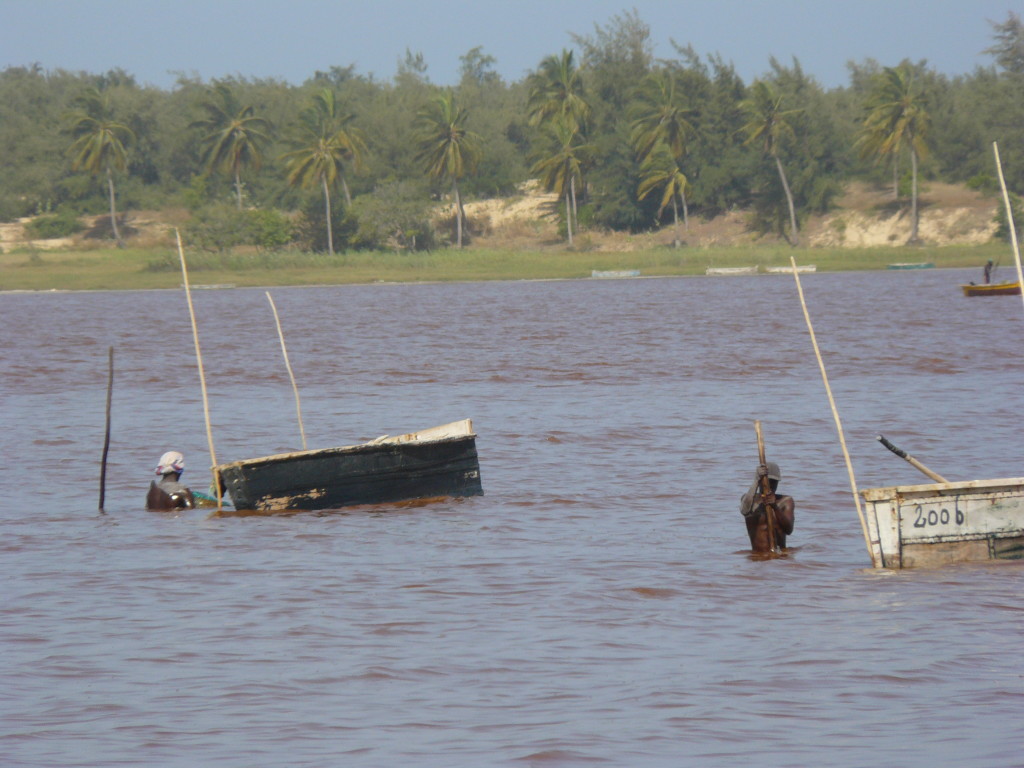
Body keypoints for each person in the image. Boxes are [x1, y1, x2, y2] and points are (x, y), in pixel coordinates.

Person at [739, 461, 795, 553]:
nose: (770, 486)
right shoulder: (751, 500)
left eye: (774, 482)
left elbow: (789, 530)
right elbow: (744, 511)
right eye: (768, 482)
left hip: (778, 556)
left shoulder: (785, 501)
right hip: (757, 556)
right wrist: (756, 480)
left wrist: (775, 507)